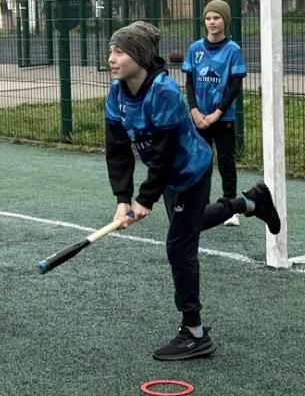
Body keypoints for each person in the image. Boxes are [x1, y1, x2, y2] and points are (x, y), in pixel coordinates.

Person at [104, 21, 281, 360]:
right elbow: (117, 152)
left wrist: (145, 199)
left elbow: (166, 153)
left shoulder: (164, 92)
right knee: (190, 226)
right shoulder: (116, 95)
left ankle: (195, 333)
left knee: (179, 248)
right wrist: (122, 201)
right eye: (111, 51)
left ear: (139, 56)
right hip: (169, 177)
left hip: (190, 171)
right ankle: (250, 202)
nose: (111, 58)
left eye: (120, 51)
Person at [182, 0, 247, 226]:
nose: (212, 22)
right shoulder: (195, 49)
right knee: (200, 161)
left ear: (225, 21)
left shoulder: (233, 50)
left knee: (226, 161)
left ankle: (230, 208)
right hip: (199, 118)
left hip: (223, 118)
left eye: (216, 18)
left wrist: (218, 112)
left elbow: (234, 86)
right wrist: (194, 111)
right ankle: (202, 206)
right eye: (208, 18)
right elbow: (189, 82)